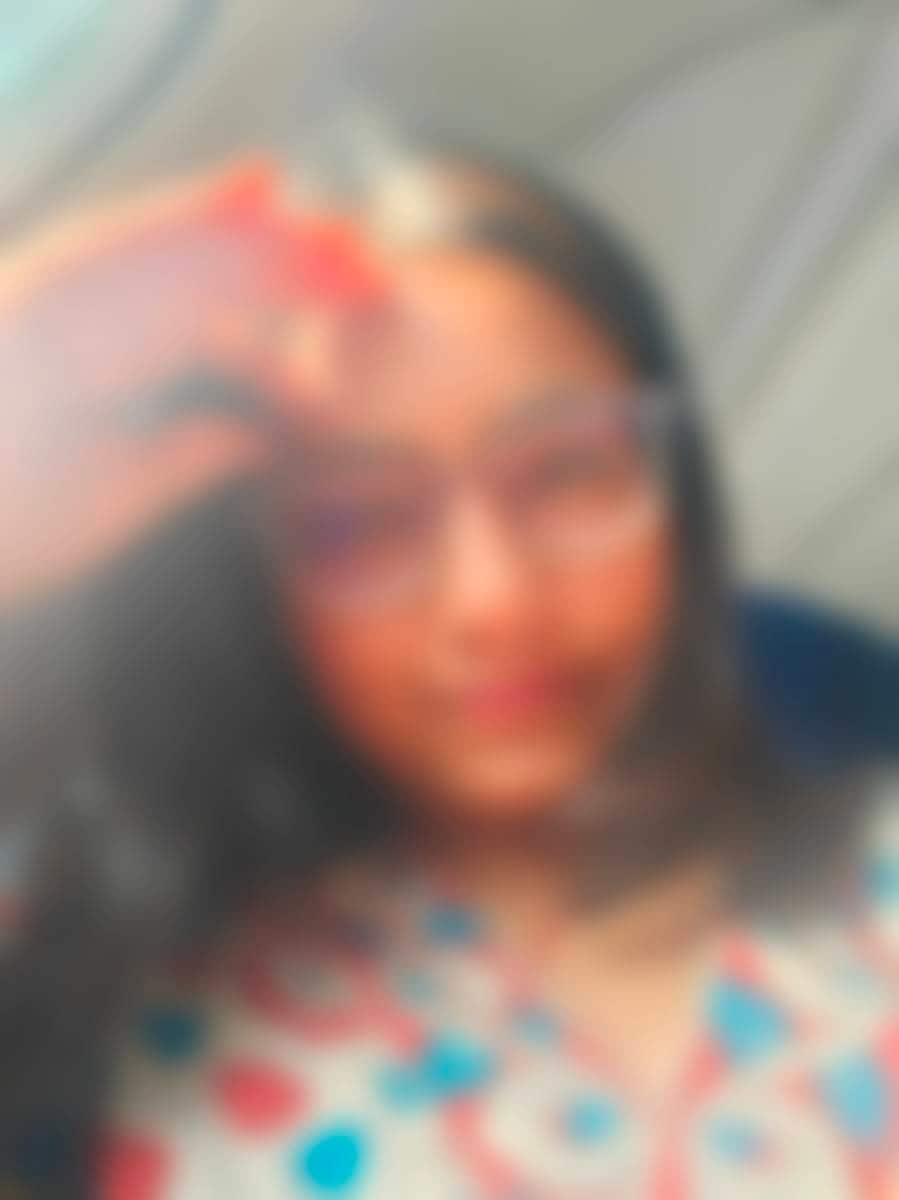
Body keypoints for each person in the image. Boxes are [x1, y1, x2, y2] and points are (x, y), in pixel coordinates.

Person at [1, 142, 897, 1200]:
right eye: (362, 523)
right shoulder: (135, 1015)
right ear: (262, 586)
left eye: (565, 473)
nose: (493, 602)